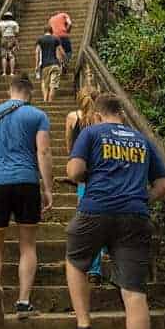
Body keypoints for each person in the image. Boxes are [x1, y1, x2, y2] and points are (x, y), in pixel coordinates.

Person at [59, 92, 165, 329]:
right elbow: (163, 186)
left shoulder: (91, 132)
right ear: (121, 114)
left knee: (75, 260)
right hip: (135, 216)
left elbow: (74, 171)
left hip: (96, 209)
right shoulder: (140, 138)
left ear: (95, 114)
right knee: (134, 293)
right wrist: (138, 198)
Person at [0, 75, 54, 323]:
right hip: (26, 182)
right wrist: (48, 188)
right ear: (29, 93)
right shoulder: (37, 115)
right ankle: (23, 302)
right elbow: (43, 152)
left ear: (9, 91)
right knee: (28, 245)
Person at [64, 88, 108, 285]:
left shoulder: (73, 117)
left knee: (88, 221)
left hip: (82, 174)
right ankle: (101, 260)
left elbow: (68, 144)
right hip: (102, 173)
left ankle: (93, 267)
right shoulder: (102, 121)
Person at [35, 25, 65, 103]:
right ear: (51, 31)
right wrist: (63, 60)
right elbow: (61, 52)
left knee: (45, 84)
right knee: (53, 85)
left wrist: (37, 65)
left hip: (45, 65)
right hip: (55, 64)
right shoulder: (55, 39)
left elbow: (37, 52)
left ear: (44, 31)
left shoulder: (40, 39)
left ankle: (45, 100)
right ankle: (50, 101)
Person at [0, 11, 20, 77]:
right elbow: (17, 32)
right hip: (12, 38)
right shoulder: (14, 23)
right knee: (11, 55)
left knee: (4, 56)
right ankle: (12, 73)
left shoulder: (0, 23)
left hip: (3, 38)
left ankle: (4, 72)